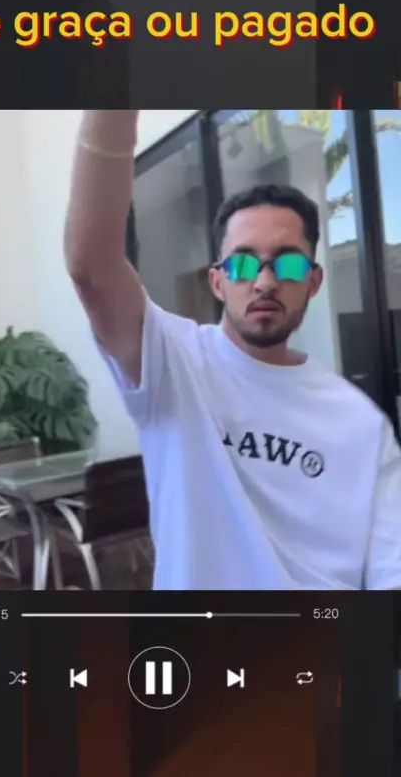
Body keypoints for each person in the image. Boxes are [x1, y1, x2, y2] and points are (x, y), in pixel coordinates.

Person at [65, 109, 401, 590]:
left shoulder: (362, 425)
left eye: (287, 264)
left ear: (313, 282)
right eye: (243, 264)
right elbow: (92, 268)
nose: (264, 281)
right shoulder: (172, 362)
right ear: (218, 282)